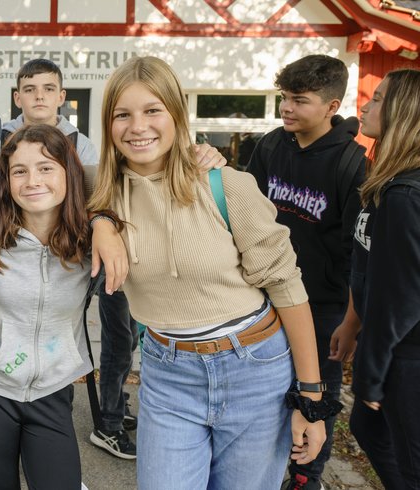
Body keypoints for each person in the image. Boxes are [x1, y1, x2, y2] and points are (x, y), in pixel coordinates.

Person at [87, 55, 329, 490]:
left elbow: (288, 289)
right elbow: (34, 181)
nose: (137, 126)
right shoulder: (98, 193)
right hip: (168, 372)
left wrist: (311, 398)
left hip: (255, 368)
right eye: (123, 114)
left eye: (152, 110)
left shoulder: (225, 185)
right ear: (108, 124)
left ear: (176, 115)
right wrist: (99, 220)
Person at [0, 123, 121, 490]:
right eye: (20, 171)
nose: (33, 180)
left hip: (52, 389)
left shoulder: (88, 240)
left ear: (70, 173)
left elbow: (129, 175)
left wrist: (103, 220)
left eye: (47, 168)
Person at [2, 58, 139, 459]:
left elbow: (100, 192)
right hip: (18, 263)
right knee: (21, 337)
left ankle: (110, 416)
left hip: (80, 256)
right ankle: (6, 420)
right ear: (18, 97)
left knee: (119, 331)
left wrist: (101, 222)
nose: (39, 96)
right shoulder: (1, 138)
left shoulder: (83, 144)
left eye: (48, 89)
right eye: (30, 89)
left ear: (62, 97)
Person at [246, 54, 366, 490]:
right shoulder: (271, 146)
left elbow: (358, 250)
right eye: (284, 98)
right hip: (264, 296)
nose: (287, 108)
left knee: (317, 395)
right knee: (266, 391)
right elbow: (245, 215)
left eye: (300, 100)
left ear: (332, 107)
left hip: (322, 304)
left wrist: (351, 321)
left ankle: (304, 478)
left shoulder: (352, 164)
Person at [343, 69, 420, 489]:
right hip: (390, 345)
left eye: (378, 99)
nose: (365, 106)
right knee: (369, 429)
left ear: (405, 112)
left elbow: (401, 297)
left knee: (411, 465)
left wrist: (372, 373)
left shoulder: (406, 196)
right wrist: (353, 321)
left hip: (407, 356)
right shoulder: (386, 184)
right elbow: (369, 265)